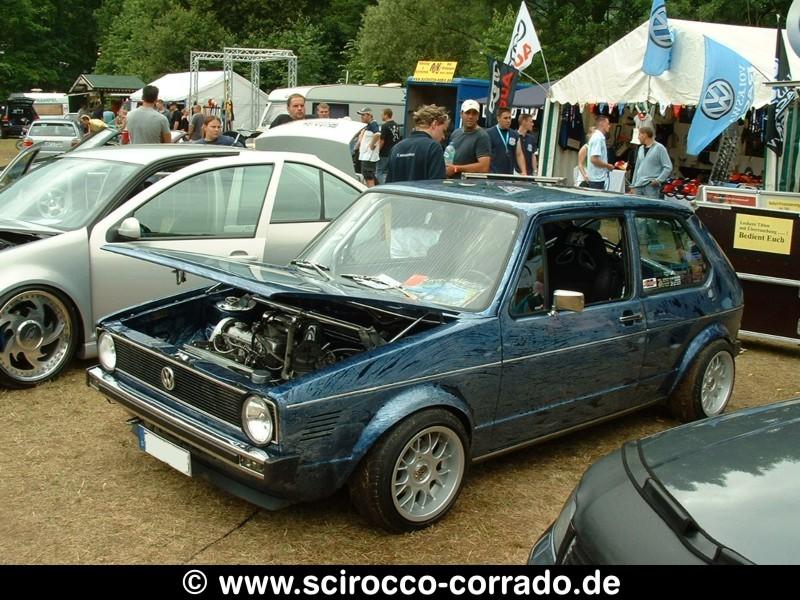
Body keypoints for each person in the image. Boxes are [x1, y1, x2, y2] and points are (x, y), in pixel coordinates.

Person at [386, 104, 449, 183]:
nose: (443, 136)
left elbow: (389, 184)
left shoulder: (396, 148)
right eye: (443, 131)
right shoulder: (433, 147)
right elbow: (436, 184)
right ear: (434, 124)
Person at [446, 99, 490, 177]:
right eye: (467, 113)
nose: (470, 116)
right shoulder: (456, 133)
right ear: (461, 114)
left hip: (469, 183)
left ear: (478, 116)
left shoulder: (482, 136)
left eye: (474, 113)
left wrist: (456, 168)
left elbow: (484, 167)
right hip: (452, 181)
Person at [629, 125, 672, 198]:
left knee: (650, 205)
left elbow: (668, 167)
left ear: (645, 135)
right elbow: (637, 168)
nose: (638, 137)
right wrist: (633, 185)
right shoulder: (641, 149)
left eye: (639, 134)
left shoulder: (660, 148)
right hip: (638, 185)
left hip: (651, 186)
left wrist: (658, 180)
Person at [487, 107, 527, 175]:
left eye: (510, 118)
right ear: (498, 118)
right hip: (493, 174)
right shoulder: (489, 133)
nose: (508, 121)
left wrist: (524, 171)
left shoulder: (515, 134)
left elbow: (519, 154)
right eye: (505, 118)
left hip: (509, 174)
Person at [586, 115, 615, 190]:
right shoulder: (598, 138)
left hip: (597, 178)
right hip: (597, 179)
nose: (609, 126)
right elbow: (594, 159)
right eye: (608, 123)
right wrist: (607, 166)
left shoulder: (598, 137)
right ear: (602, 123)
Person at [376, 108, 402, 184]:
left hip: (385, 153)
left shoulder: (385, 126)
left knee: (380, 172)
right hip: (394, 152)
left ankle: (383, 187)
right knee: (390, 172)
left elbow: (382, 141)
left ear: (386, 115)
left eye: (382, 114)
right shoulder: (396, 125)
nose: (381, 116)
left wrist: (377, 151)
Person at [357, 107, 380, 187]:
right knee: (370, 176)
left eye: (363, 115)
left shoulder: (373, 124)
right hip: (367, 156)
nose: (361, 117)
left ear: (369, 115)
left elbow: (377, 134)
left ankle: (372, 192)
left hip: (368, 157)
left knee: (368, 178)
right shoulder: (369, 125)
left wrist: (371, 145)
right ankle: (378, 189)